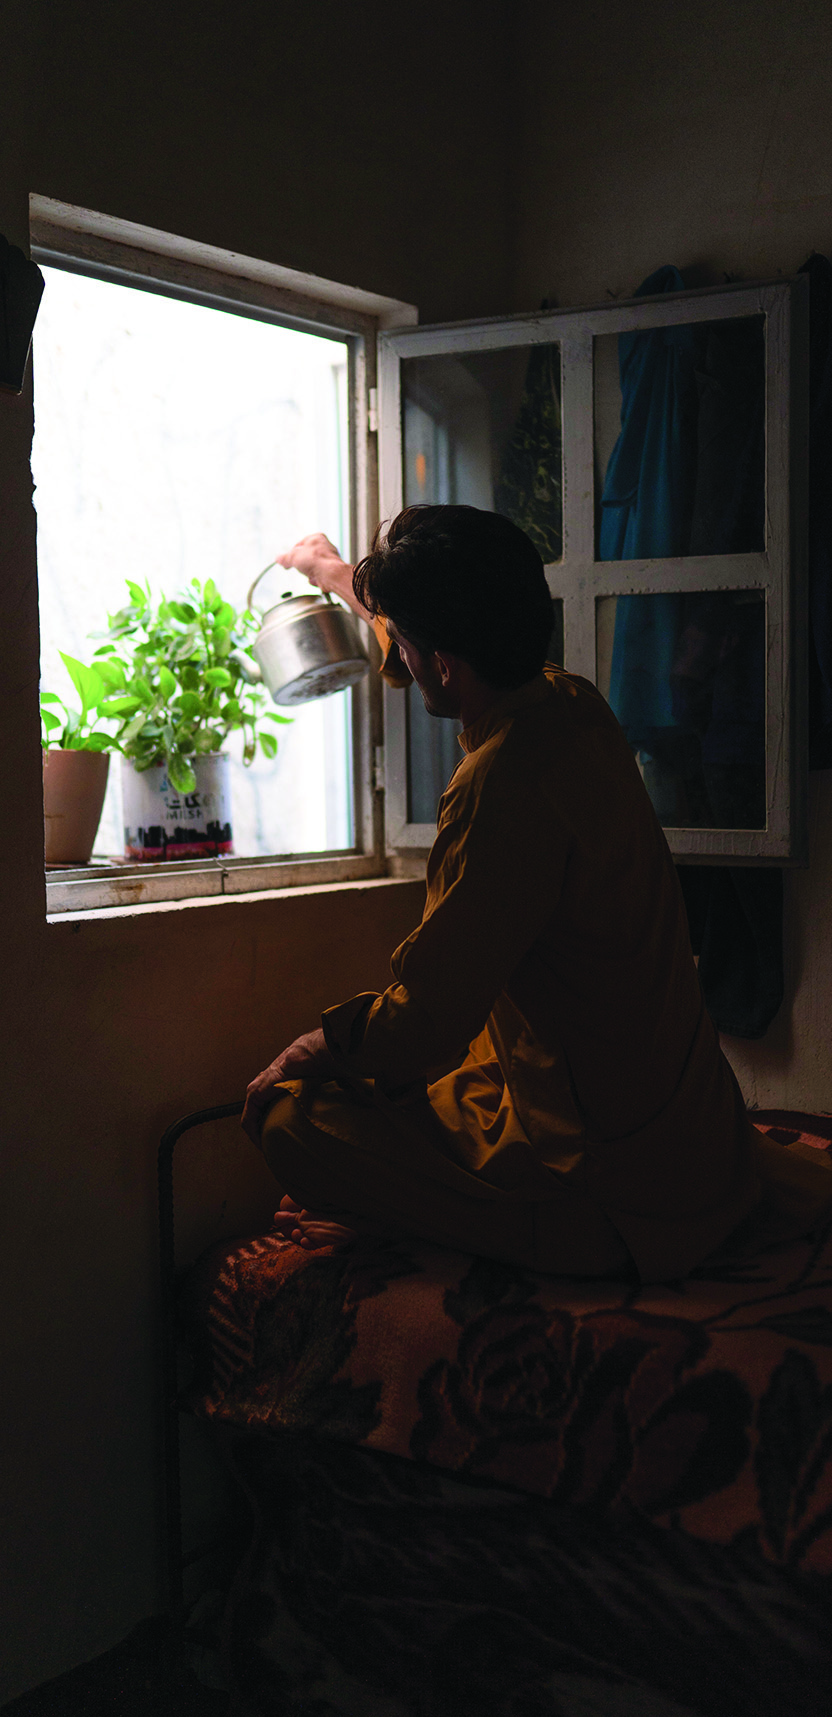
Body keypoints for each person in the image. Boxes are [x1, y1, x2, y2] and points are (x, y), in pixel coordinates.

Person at [242, 505, 832, 1284]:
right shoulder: (576, 706)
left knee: (292, 1116)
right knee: (454, 1070)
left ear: (441, 660)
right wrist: (337, 574)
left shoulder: (496, 785)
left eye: (408, 646)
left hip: (611, 1190)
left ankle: (558, 1236)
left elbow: (423, 1024)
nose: (402, 658)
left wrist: (309, 1049)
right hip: (694, 1135)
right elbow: (429, 641)